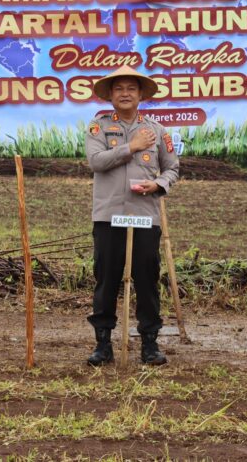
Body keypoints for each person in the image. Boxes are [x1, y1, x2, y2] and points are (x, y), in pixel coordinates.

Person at [84, 66, 179, 366]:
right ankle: (103, 344)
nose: (125, 93)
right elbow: (96, 162)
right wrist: (132, 147)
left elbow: (173, 168)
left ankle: (149, 343)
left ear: (140, 95)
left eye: (131, 89)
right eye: (119, 89)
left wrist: (158, 184)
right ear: (111, 96)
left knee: (147, 280)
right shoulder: (98, 127)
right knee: (106, 280)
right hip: (109, 216)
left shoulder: (158, 130)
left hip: (144, 217)